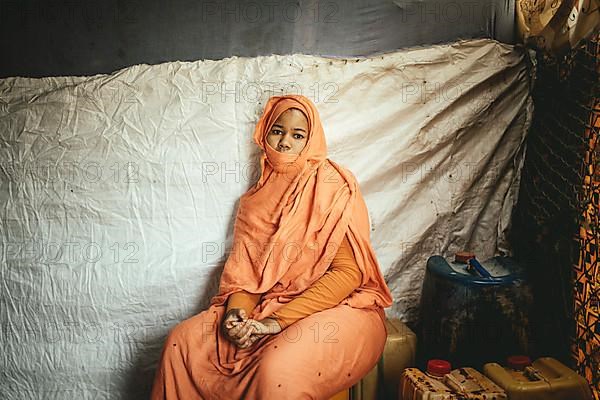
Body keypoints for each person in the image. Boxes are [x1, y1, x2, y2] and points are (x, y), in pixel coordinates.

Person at [150, 94, 394, 399]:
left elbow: (347, 275)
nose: (284, 142)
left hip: (341, 307)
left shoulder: (332, 187)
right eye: (277, 131)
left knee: (277, 369)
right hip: (269, 305)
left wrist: (275, 323)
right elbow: (247, 278)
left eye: (298, 135)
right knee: (181, 342)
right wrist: (236, 317)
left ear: (312, 139)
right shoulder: (254, 201)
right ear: (264, 134)